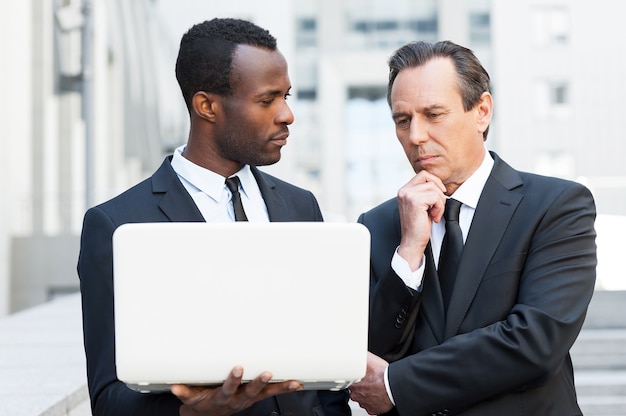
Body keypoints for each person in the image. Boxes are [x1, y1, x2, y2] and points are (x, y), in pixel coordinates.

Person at [78, 18, 350, 416]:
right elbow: (108, 400)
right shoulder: (118, 226)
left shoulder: (301, 207)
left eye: (286, 96)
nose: (287, 115)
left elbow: (328, 377)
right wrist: (191, 412)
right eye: (267, 100)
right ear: (207, 106)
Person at [348, 40, 597, 415]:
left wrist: (398, 384)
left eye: (433, 114)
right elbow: (368, 356)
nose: (415, 136)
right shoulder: (378, 226)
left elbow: (536, 344)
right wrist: (409, 254)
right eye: (403, 120)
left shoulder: (556, 206)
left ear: (481, 111)